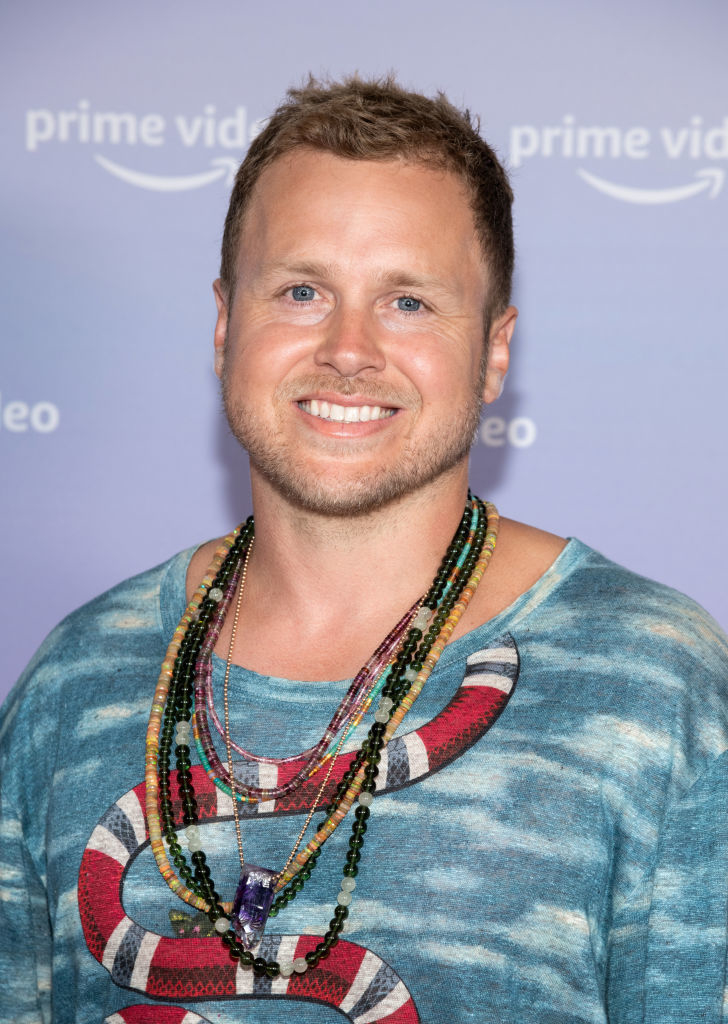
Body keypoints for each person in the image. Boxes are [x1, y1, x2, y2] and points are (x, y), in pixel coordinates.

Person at [1, 75, 727, 1024]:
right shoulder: (74, 681)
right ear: (226, 324)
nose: (349, 348)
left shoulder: (653, 688)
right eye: (302, 290)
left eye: (410, 302)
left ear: (495, 352)